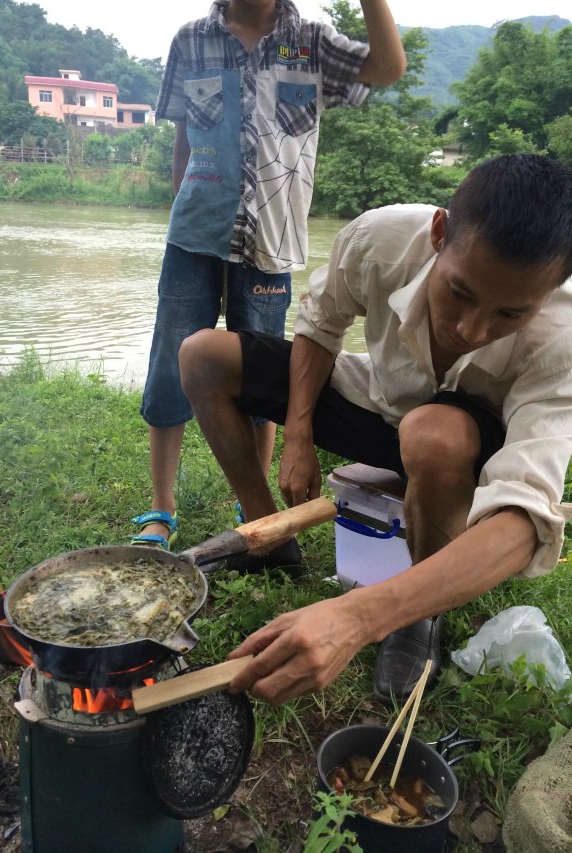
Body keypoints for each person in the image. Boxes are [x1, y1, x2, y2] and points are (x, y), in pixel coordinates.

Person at [178, 153, 572, 703]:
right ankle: (270, 536)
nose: (471, 328)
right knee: (203, 356)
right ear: (440, 233)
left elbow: (526, 519)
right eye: (460, 292)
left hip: (463, 445)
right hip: (380, 401)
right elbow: (320, 325)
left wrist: (358, 617)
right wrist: (297, 437)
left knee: (432, 435)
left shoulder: (563, 338)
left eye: (510, 315)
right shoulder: (380, 238)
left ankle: (420, 617)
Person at [132, 0, 406, 550]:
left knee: (256, 373)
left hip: (273, 242)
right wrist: (178, 210)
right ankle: (160, 510)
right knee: (170, 364)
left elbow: (387, 67)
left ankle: (248, 501)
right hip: (193, 236)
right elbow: (184, 138)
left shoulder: (312, 40)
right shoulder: (192, 40)